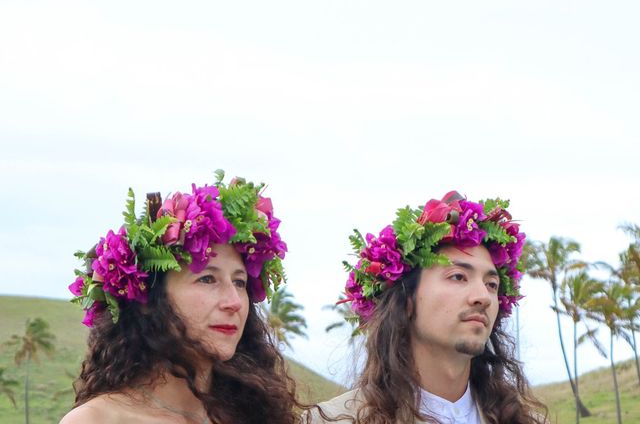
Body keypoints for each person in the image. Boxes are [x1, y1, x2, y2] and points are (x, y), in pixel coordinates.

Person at [60, 171, 301, 424]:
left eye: (239, 282)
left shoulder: (257, 416)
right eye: (207, 279)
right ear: (148, 300)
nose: (235, 302)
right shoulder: (97, 419)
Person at [305, 191, 548, 424]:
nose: (482, 297)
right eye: (458, 277)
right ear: (406, 300)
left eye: (492, 284)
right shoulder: (332, 420)